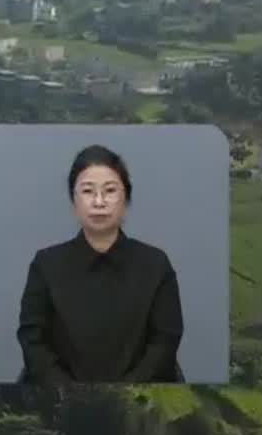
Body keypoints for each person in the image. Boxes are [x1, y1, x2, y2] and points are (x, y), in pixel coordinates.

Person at [17, 145, 183, 384]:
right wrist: (69, 391)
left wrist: (125, 392)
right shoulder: (46, 264)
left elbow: (165, 340)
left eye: (110, 191)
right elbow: (33, 339)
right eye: (87, 191)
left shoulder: (156, 264)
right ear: (74, 201)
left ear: (125, 199)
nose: (99, 201)